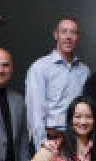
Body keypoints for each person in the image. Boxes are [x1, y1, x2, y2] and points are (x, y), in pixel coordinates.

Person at [26, 17, 90, 150]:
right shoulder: (40, 68)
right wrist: (41, 146)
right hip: (50, 139)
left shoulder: (84, 71)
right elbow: (35, 113)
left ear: (77, 37)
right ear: (56, 35)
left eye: (73, 32)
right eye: (64, 31)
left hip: (77, 139)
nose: (68, 37)